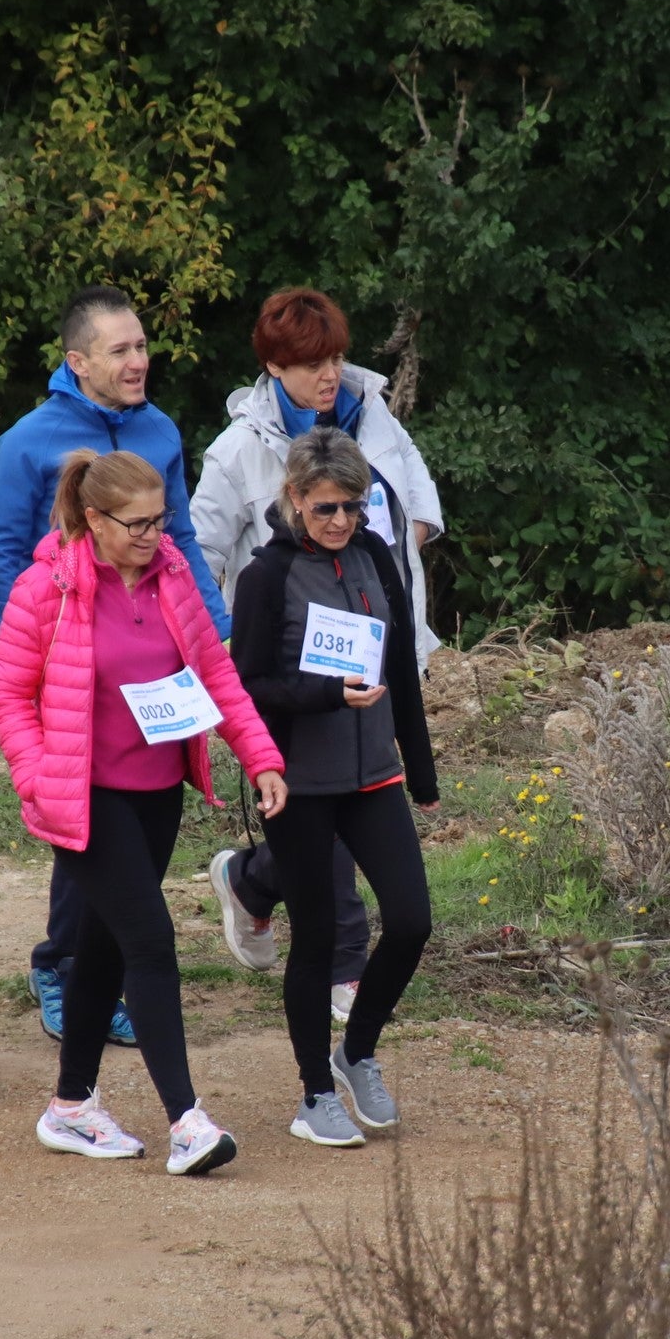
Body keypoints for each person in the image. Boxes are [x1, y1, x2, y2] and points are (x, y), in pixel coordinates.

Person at [0, 448, 287, 1175]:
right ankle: (187, 1123)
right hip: (83, 796)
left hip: (157, 793)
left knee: (105, 945)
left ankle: (71, 1107)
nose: (155, 536)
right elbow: (4, 693)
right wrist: (35, 774)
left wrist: (260, 755)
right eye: (138, 524)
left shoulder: (173, 574)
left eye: (161, 520)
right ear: (94, 519)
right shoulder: (45, 587)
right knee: (150, 941)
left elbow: (215, 672)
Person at [0, 286, 231, 1046]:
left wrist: (215, 638)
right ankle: (59, 968)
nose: (137, 361)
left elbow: (181, 538)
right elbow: (2, 552)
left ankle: (99, 968)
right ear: (77, 361)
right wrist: (34, 660)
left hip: (151, 664)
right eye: (119, 350)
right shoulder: (28, 440)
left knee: (137, 821)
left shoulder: (159, 430)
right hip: (70, 666)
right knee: (84, 817)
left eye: (142, 345)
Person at [194, 289, 446, 1026]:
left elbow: (420, 505)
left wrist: (373, 575)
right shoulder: (237, 448)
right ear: (273, 367)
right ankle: (341, 964)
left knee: (343, 809)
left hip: (376, 640)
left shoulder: (375, 412)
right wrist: (232, 645)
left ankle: (249, 878)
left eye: (334, 357)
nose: (329, 375)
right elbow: (202, 552)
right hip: (287, 671)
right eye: (309, 365)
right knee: (315, 802)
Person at [228, 429, 438, 1148]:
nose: (341, 521)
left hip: (374, 772)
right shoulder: (267, 578)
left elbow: (402, 663)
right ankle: (314, 1091)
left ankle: (357, 1052)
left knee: (411, 922)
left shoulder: (376, 555)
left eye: (354, 506)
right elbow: (247, 686)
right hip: (299, 781)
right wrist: (321, 694)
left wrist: (424, 768)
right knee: (317, 937)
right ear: (293, 499)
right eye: (325, 509)